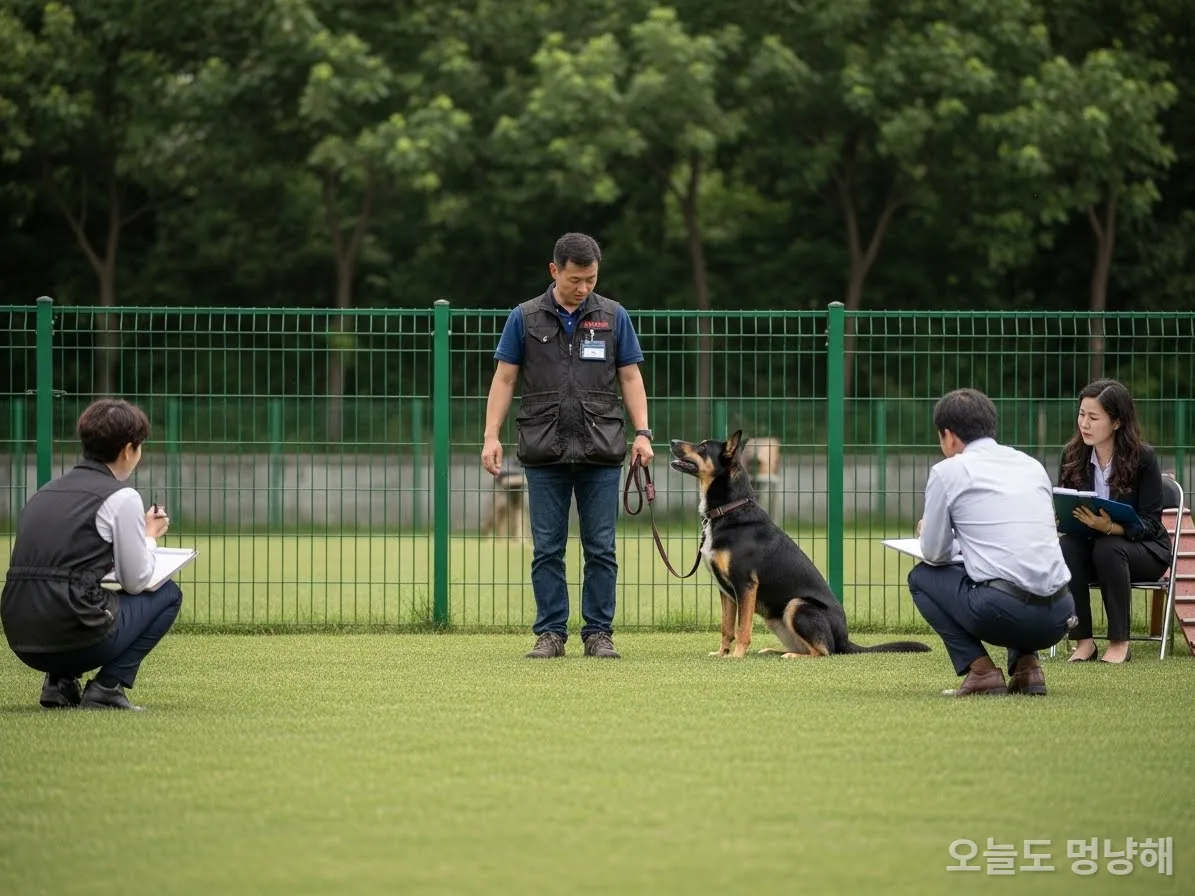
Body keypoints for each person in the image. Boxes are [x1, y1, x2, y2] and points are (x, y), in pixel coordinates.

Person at [481, 232, 654, 659]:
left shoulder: (614, 316)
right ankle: (550, 634)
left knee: (602, 548)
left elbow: (630, 376)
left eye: (591, 279)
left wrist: (644, 432)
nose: (584, 288)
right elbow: (505, 378)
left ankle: (599, 634)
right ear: (554, 270)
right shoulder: (524, 317)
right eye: (576, 279)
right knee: (547, 549)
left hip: (601, 449)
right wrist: (490, 435)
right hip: (543, 449)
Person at [1, 399, 183, 710]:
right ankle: (107, 687)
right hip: (75, 637)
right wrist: (148, 537)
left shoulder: (45, 491)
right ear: (128, 449)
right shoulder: (121, 496)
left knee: (73, 589)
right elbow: (136, 580)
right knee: (167, 594)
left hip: (19, 638)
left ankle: (59, 683)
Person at [907, 389, 1076, 697]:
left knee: (921, 577)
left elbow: (934, 552)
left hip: (1004, 612)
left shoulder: (948, 472)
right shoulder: (1031, 465)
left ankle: (981, 670)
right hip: (1060, 614)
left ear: (949, 436)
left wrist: (931, 533)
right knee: (1012, 569)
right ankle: (1029, 668)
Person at [1056, 379, 1170, 664]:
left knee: (1109, 547)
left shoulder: (1143, 458)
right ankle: (1084, 642)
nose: (1085, 423)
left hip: (1143, 551)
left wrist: (1109, 528)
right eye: (1082, 414)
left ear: (1117, 422)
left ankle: (1120, 643)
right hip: (1091, 546)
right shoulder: (1072, 455)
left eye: (1094, 417)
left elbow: (1151, 524)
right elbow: (1066, 504)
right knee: (1067, 546)